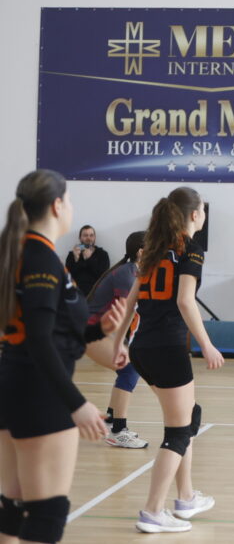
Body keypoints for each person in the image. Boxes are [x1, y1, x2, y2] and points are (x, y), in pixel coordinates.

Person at [0, 169, 126, 544]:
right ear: (57, 205)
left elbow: (50, 334)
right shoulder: (40, 258)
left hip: (15, 386)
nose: (71, 207)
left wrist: (98, 331)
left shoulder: (26, 253)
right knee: (46, 516)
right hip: (39, 393)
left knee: (13, 508)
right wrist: (77, 404)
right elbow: (39, 340)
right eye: (69, 200)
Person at [112, 187, 224, 534]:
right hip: (167, 347)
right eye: (202, 210)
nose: (204, 216)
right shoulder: (190, 249)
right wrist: (207, 344)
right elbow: (185, 301)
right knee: (177, 432)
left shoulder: (153, 248)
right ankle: (152, 511)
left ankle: (186, 497)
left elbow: (131, 300)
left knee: (188, 417)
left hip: (143, 347)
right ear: (194, 215)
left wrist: (120, 342)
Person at [85, 231, 148, 449]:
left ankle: (111, 420)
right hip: (89, 331)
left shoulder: (134, 271)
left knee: (128, 369)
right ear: (141, 252)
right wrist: (123, 344)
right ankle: (119, 431)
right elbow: (125, 312)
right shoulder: (127, 274)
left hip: (100, 331)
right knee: (129, 369)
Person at [64, 224, 110, 296]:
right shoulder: (72, 254)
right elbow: (67, 278)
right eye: (85, 235)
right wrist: (76, 259)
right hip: (75, 293)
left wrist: (89, 259)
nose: (88, 238)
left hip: (96, 293)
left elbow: (103, 276)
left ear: (94, 238)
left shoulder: (102, 254)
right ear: (80, 238)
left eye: (91, 235)